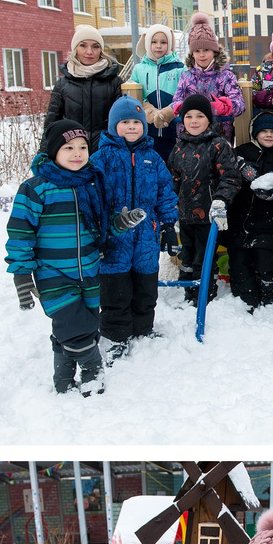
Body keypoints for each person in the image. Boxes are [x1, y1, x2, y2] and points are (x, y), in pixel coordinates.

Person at [5, 119, 115, 395]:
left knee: (82, 326)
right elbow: (20, 232)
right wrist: (21, 274)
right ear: (53, 151)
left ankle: (63, 377)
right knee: (75, 325)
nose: (77, 153)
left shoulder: (92, 183)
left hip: (89, 269)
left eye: (82, 147)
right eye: (68, 148)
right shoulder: (36, 188)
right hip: (52, 273)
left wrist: (120, 224)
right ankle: (93, 372)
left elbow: (101, 224)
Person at [90, 95, 178, 355]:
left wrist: (168, 225)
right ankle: (116, 336)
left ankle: (143, 328)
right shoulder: (100, 159)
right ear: (113, 125)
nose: (131, 126)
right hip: (113, 234)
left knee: (146, 287)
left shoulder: (153, 158)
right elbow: (91, 198)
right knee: (115, 289)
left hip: (146, 234)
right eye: (125, 122)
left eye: (136, 122)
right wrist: (96, 234)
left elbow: (165, 193)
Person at [166, 93, 248, 302]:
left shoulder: (218, 145)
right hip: (185, 215)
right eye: (189, 116)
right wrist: (171, 204)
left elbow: (231, 177)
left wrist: (221, 199)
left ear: (209, 120)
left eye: (200, 116)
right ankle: (187, 293)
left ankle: (204, 296)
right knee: (187, 255)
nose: (194, 121)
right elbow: (173, 178)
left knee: (203, 257)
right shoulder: (179, 147)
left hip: (209, 214)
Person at [227, 105, 273, 309]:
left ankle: (272, 300)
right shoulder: (242, 152)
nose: (268, 135)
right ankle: (245, 300)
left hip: (268, 221)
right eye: (264, 131)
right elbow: (227, 173)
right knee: (240, 263)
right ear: (255, 133)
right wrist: (240, 166)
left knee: (268, 263)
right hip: (239, 220)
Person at [45, 22, 126, 140]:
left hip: (106, 148)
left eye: (95, 46)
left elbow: (123, 120)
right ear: (75, 49)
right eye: (83, 45)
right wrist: (44, 151)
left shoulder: (115, 82)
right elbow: (51, 124)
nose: (89, 51)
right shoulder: (63, 84)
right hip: (73, 148)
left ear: (101, 50)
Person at [172, 13, 244, 130]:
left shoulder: (226, 76)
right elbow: (176, 100)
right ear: (192, 54)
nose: (201, 55)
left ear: (214, 51)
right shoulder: (186, 76)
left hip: (219, 134)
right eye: (197, 51)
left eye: (206, 50)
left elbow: (239, 104)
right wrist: (180, 107)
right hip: (190, 134)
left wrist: (224, 107)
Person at [130, 23, 188, 159]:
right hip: (148, 131)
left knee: (173, 164)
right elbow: (134, 94)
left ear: (170, 44)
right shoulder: (139, 69)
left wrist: (171, 111)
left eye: (163, 42)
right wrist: (147, 109)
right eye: (154, 42)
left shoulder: (180, 67)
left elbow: (185, 94)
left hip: (174, 131)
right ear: (147, 43)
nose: (158, 46)